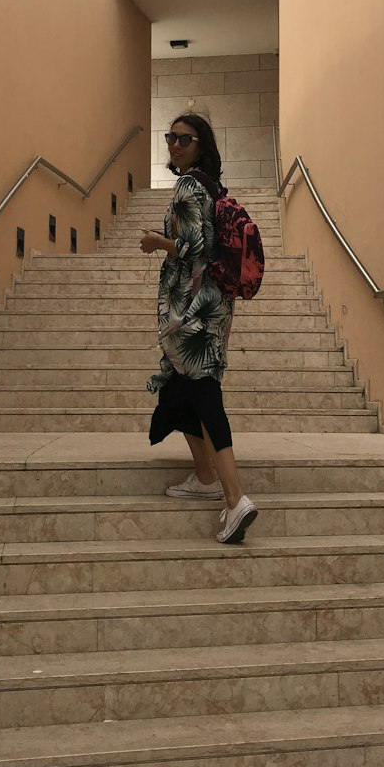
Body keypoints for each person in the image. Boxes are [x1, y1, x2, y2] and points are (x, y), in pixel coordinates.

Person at [140, 113, 258, 545]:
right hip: (212, 305)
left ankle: (234, 499)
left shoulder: (189, 185)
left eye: (184, 140)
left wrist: (157, 242)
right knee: (179, 391)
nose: (174, 145)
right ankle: (206, 477)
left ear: (201, 145)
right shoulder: (213, 188)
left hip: (192, 307)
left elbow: (195, 248)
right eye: (170, 138)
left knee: (205, 395)